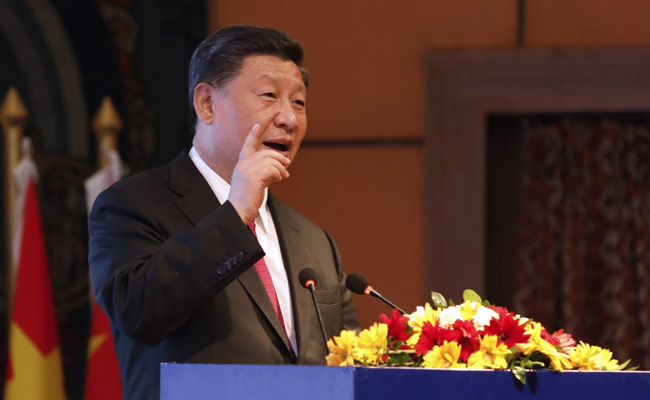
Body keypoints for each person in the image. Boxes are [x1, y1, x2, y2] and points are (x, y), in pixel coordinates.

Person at [88, 25, 360, 400]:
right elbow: (137, 312)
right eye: (269, 96)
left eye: (299, 102)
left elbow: (352, 363)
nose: (290, 118)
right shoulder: (133, 204)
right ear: (207, 104)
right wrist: (235, 214)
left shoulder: (315, 242)